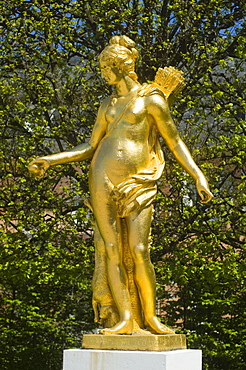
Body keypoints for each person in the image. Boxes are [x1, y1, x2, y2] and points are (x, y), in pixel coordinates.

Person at [29, 35, 213, 335]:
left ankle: (151, 318)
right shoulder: (108, 105)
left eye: (105, 67)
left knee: (139, 249)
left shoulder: (152, 99)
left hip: (138, 182)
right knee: (112, 249)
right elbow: (90, 146)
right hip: (101, 177)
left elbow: (175, 142)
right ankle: (126, 318)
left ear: (120, 66)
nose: (102, 73)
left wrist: (198, 176)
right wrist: (51, 159)